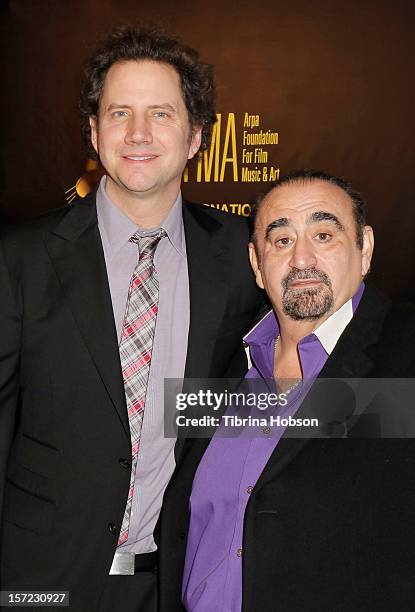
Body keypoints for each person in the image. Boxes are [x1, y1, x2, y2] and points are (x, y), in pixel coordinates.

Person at [0, 26, 262, 612]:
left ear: (195, 135)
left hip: (175, 582)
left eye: (161, 114)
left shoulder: (243, 258)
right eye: (119, 112)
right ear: (94, 132)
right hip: (39, 582)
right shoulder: (20, 259)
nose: (138, 133)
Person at [158, 170, 415, 611]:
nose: (301, 259)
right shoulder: (224, 360)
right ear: (257, 265)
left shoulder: (404, 354)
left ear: (365, 248)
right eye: (281, 241)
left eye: (323, 234)